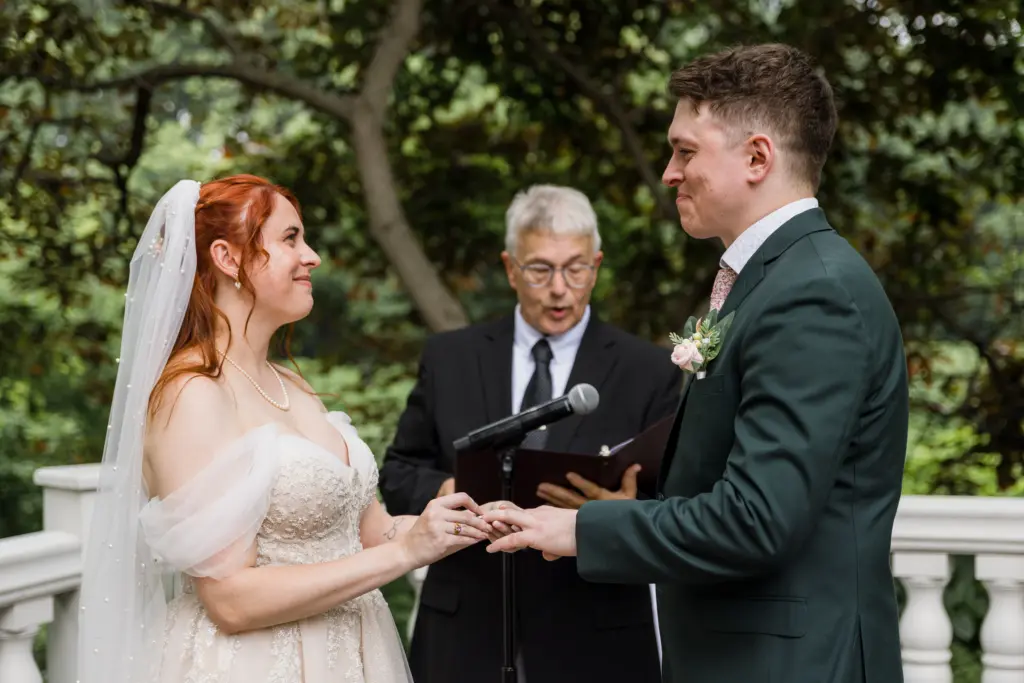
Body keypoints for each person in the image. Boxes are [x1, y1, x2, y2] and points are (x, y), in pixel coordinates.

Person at [485, 44, 909, 683]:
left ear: (758, 157)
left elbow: (758, 519)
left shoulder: (813, 294)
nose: (668, 172)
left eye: (685, 151)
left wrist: (582, 529)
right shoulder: (773, 280)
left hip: (791, 663)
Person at [77, 174, 512, 683]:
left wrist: (455, 521)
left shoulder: (291, 384)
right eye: (290, 239)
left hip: (353, 655)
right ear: (228, 257)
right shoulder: (190, 394)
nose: (312, 257)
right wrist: (404, 553)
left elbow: (373, 532)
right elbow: (230, 600)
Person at [379, 184, 682, 683]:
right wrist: (446, 492)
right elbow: (398, 471)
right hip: (465, 628)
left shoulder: (648, 370)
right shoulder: (451, 357)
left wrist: (626, 507)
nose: (559, 287)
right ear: (510, 268)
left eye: (576, 268)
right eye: (540, 269)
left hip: (593, 631)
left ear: (597, 265)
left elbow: (678, 500)